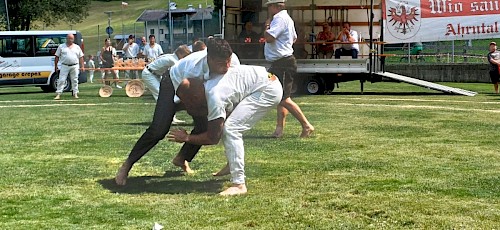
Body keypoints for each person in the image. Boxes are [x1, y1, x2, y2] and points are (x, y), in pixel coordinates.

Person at [115, 38, 240, 186]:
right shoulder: (193, 69)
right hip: (173, 83)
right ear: (209, 58)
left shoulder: (233, 63)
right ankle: (127, 165)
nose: (226, 67)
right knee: (159, 129)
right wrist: (197, 109)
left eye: (228, 61)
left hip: (197, 89)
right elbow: (188, 99)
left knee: (206, 125)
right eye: (221, 64)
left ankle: (181, 158)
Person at [168, 65, 283, 196]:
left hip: (267, 89)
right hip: (266, 80)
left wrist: (186, 138)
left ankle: (239, 184)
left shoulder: (215, 96)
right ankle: (232, 164)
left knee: (231, 129)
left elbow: (213, 138)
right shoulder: (206, 85)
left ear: (194, 96)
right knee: (229, 124)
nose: (187, 106)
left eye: (187, 102)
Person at [264, 0, 314, 138]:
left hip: (283, 63)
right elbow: (294, 38)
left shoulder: (279, 19)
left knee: (283, 98)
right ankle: (279, 129)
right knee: (280, 96)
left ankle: (306, 125)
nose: (268, 9)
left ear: (275, 6)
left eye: (269, 6)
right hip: (281, 63)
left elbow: (268, 37)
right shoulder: (287, 19)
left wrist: (267, 26)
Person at [53, 34, 84, 100]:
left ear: (73, 39)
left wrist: (82, 66)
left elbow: (81, 57)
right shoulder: (61, 46)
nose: (70, 40)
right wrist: (56, 66)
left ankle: (75, 93)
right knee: (61, 80)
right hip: (64, 65)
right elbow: (57, 57)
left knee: (75, 80)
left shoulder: (77, 47)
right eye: (69, 38)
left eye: (71, 38)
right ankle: (58, 94)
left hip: (75, 65)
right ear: (66, 39)